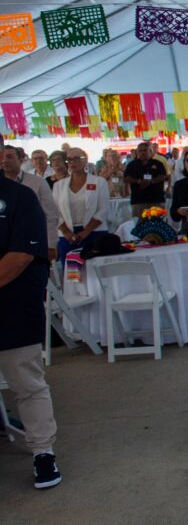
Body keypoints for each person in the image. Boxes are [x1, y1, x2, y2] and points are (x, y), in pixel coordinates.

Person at [0, 168, 62, 489]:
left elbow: (21, 255)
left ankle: (43, 453)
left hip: (12, 309)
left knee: (27, 383)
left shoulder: (20, 197)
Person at [52, 149, 110, 263]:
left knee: (95, 270)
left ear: (86, 160)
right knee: (72, 274)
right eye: (69, 159)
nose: (73, 162)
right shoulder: (59, 185)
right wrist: (67, 233)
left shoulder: (99, 182)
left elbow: (103, 209)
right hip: (67, 235)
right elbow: (54, 212)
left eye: (77, 158)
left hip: (94, 232)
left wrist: (85, 232)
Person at [3, 145, 58, 261]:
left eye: (9, 157)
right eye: (2, 156)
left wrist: (51, 244)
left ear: (21, 159)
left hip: (32, 243)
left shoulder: (37, 182)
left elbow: (50, 215)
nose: (5, 160)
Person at [124, 142, 168, 217]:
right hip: (138, 201)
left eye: (145, 150)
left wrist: (151, 181)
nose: (142, 153)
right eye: (140, 151)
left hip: (156, 200)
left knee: (157, 226)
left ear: (150, 152)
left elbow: (163, 176)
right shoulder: (132, 165)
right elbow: (126, 178)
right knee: (140, 226)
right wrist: (138, 181)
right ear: (137, 153)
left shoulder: (158, 164)